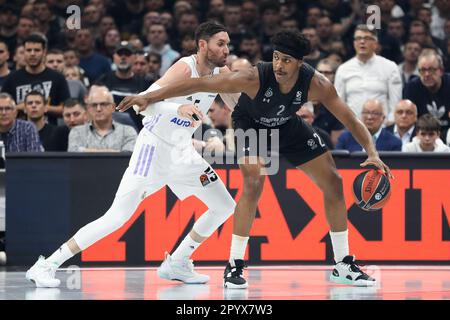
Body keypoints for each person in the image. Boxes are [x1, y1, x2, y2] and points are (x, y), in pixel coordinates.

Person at [118, 30, 392, 288]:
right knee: (253, 183)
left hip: (286, 124)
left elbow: (349, 118)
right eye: (275, 58)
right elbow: (199, 82)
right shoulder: (253, 77)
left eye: (286, 60)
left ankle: (342, 265)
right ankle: (235, 264)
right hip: (251, 125)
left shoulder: (317, 84)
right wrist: (148, 96)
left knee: (333, 182)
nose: (279, 65)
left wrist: (372, 152)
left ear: (299, 63)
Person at [26, 22, 237, 288]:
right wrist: (178, 109)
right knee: (117, 217)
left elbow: (239, 104)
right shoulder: (185, 68)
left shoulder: (222, 72)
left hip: (183, 153)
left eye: (228, 43)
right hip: (153, 149)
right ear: (203, 45)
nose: (226, 49)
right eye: (221, 43)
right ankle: (46, 265)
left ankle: (179, 262)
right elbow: (143, 105)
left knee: (224, 205)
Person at [334, 25, 402, 123]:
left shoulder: (390, 67)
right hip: (352, 128)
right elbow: (339, 104)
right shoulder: (343, 69)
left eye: (367, 38)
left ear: (375, 43)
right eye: (358, 38)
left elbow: (395, 103)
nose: (362, 42)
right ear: (354, 43)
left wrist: (389, 126)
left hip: (382, 127)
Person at [1, 33, 70, 126]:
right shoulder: (12, 78)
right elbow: (2, 107)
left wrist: (43, 107)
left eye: (37, 50)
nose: (32, 54)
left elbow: (66, 109)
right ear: (24, 52)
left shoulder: (57, 78)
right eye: (29, 50)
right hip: (19, 133)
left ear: (44, 52)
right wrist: (18, 107)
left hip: (50, 132)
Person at [68, 86, 137, 152]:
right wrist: (115, 152)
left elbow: (128, 156)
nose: (98, 109)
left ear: (113, 107)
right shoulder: (77, 132)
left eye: (103, 104)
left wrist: (85, 150)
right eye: (94, 105)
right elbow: (73, 153)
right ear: (88, 108)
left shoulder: (127, 131)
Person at [403, 50, 450, 144]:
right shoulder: (412, 87)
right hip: (421, 134)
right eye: (423, 70)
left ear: (441, 71)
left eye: (431, 69)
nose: (427, 74)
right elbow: (409, 119)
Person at [336, 99, 402, 152]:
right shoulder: (345, 138)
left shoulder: (394, 142)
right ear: (361, 116)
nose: (369, 117)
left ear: (383, 118)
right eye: (366, 112)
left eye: (375, 113)